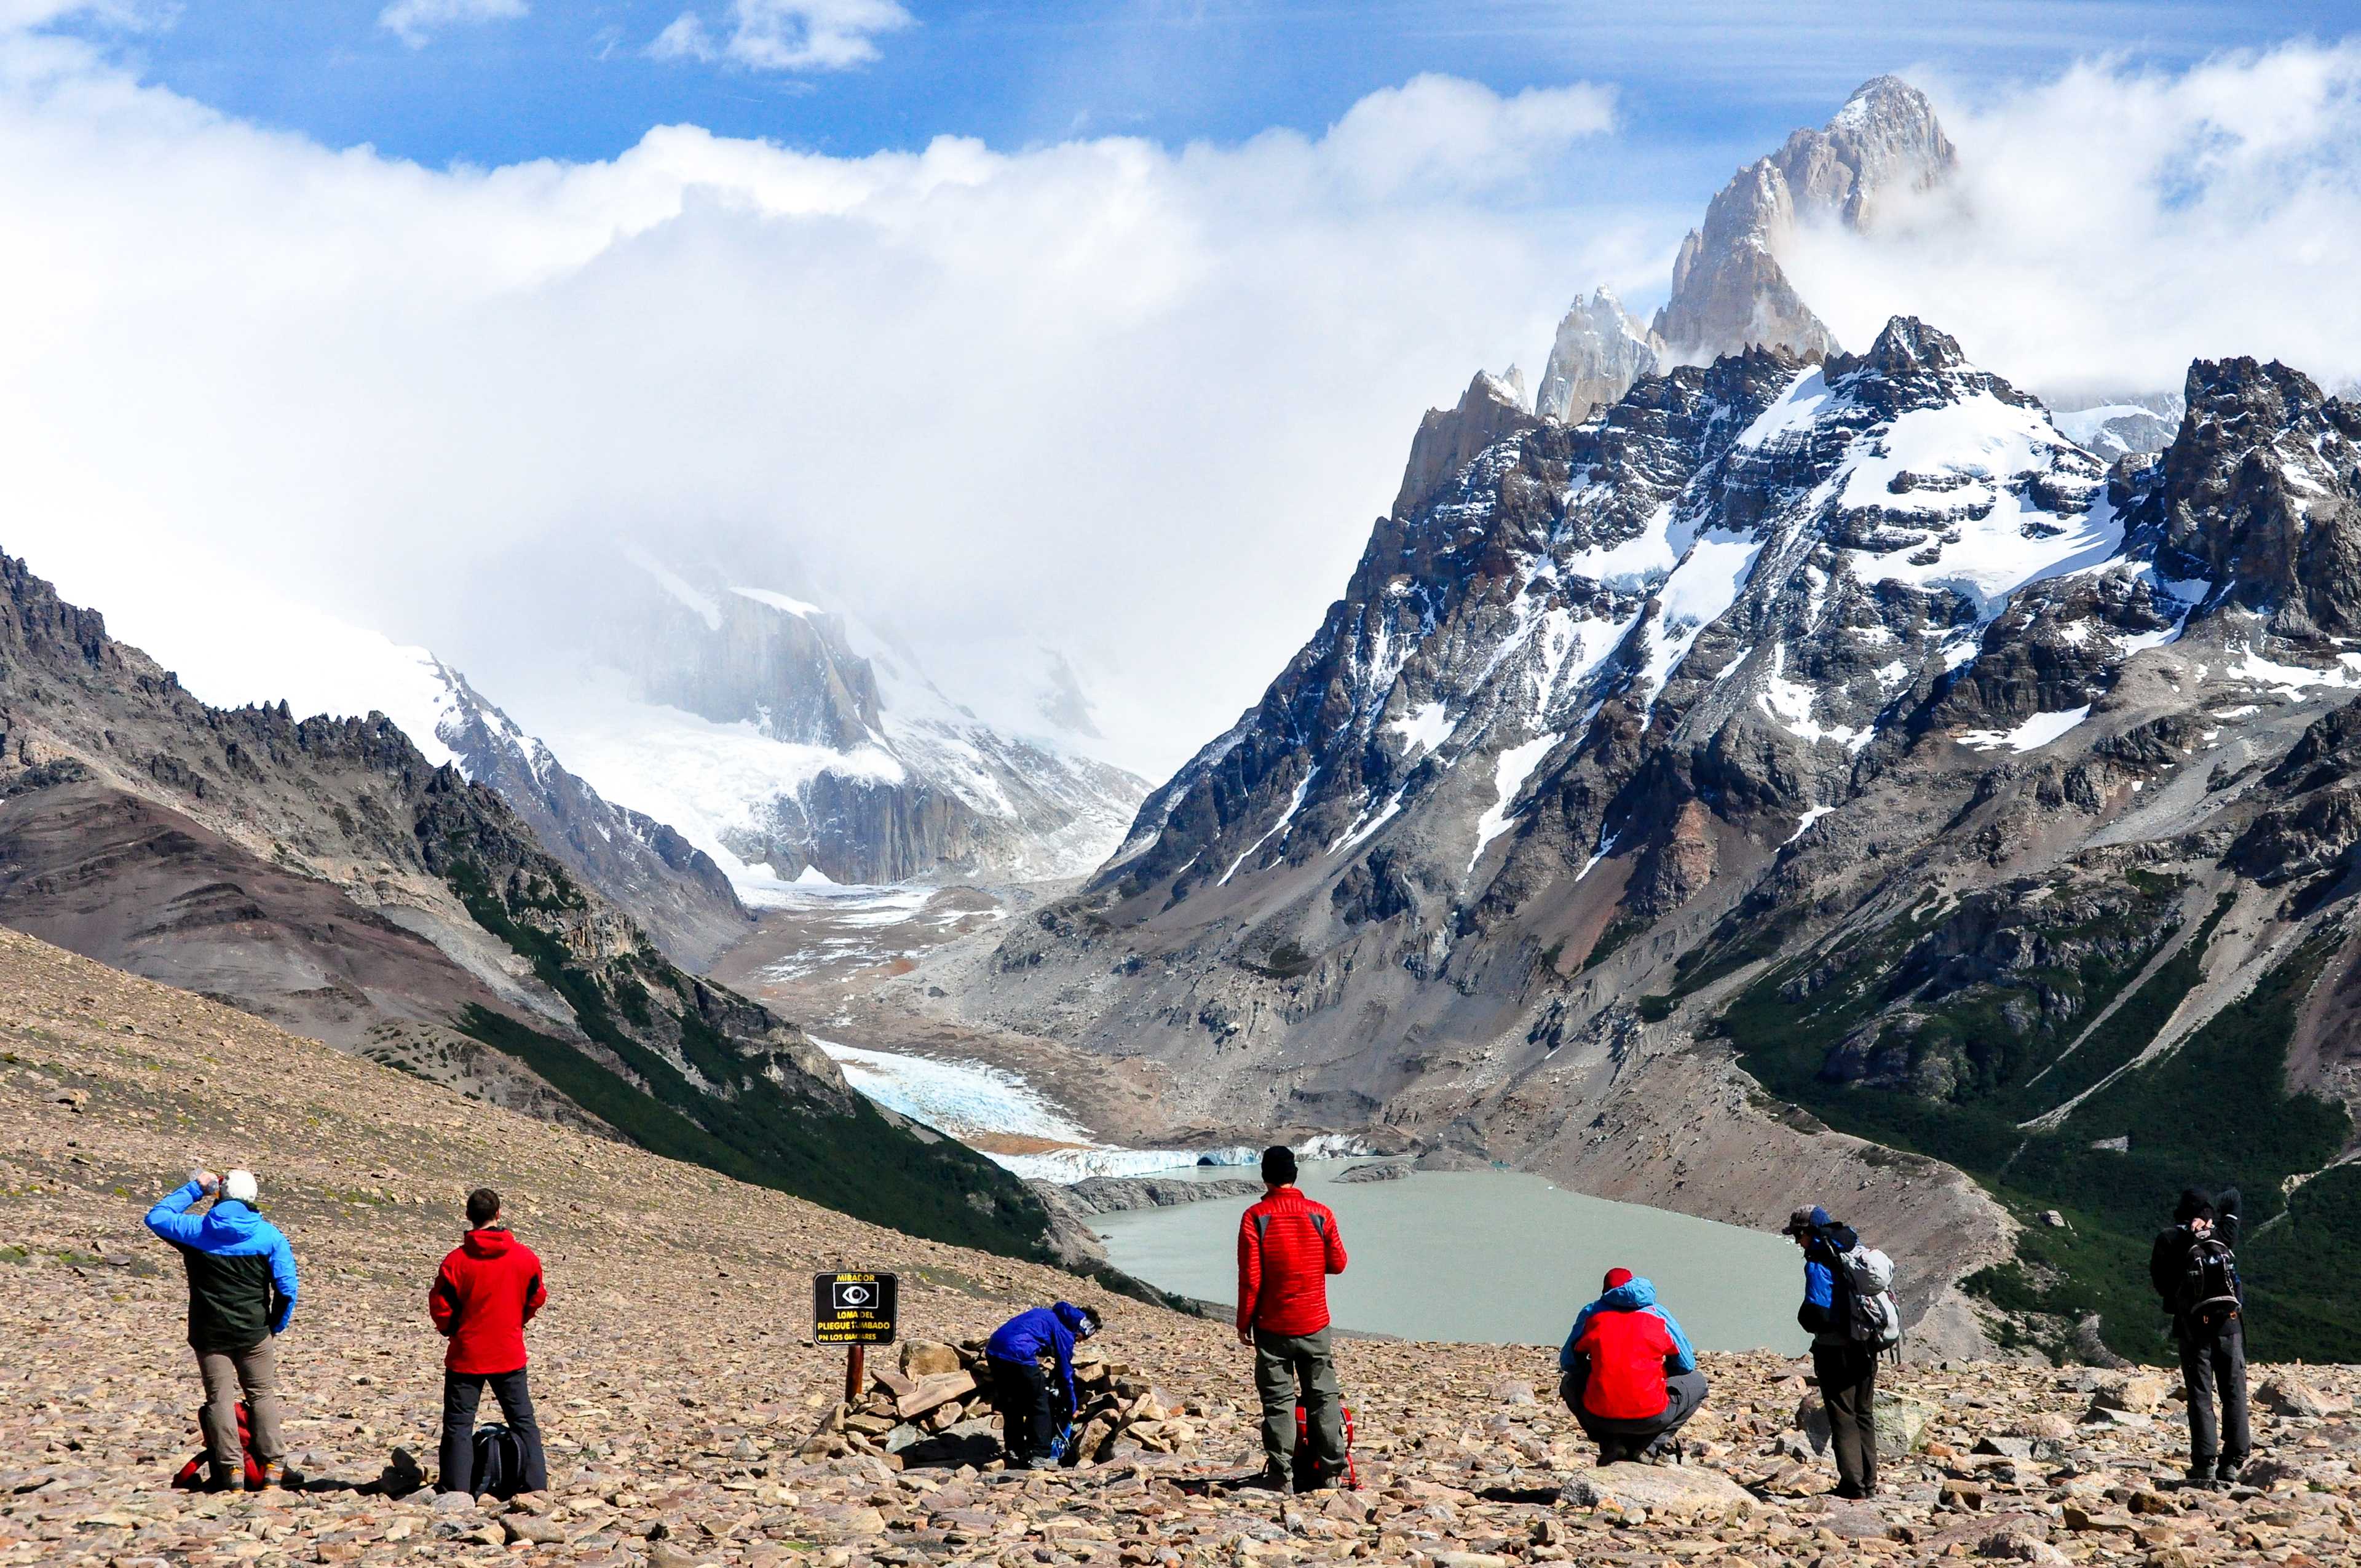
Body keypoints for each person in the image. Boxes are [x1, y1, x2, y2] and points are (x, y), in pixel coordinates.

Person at [144, 1168, 300, 1491]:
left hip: (209, 1332)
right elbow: (287, 1289)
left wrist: (196, 1188)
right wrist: (275, 1325)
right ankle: (274, 1467)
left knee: (220, 1399)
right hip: (254, 1331)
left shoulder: (196, 1230)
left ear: (221, 1194)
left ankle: (232, 1471)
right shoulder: (270, 1236)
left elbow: (157, 1217)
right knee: (262, 1394)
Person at [1237, 1145, 1349, 1491]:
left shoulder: (1255, 1217)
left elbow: (1251, 1278)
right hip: (1315, 1322)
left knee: (1278, 1400)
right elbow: (1339, 1263)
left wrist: (1244, 1323)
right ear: (1295, 1175)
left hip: (1272, 1327)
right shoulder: (1321, 1214)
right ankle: (1332, 1473)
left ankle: (1281, 1476)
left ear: (1265, 1177)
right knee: (1323, 1396)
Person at [430, 1188, 550, 1495]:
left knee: (459, 1424)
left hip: (467, 1354)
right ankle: (536, 1488)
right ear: (498, 1214)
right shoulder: (525, 1258)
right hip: (508, 1352)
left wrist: (453, 1331)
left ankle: (456, 1491)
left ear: (468, 1216)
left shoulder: (456, 1262)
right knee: (522, 1420)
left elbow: (440, 1305)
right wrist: (518, 1322)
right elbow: (537, 1296)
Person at [1557, 1268, 1710, 1463]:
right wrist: (1660, 1373)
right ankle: (1650, 1446)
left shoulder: (1592, 1312)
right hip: (1652, 1418)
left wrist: (1597, 1366)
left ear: (1605, 1291)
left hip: (1600, 1418)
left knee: (1569, 1382)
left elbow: (1568, 1363)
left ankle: (1611, 1444)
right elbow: (1686, 1365)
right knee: (1698, 1382)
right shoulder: (1659, 1314)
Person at [2149, 1187, 2248, 1488]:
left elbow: (2162, 1284)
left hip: (2193, 1329)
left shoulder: (2169, 1238)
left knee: (2200, 1395)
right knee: (2234, 1392)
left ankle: (2205, 1465)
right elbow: (2234, 1196)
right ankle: (2232, 1463)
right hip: (2230, 1327)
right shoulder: (2222, 1234)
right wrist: (2210, 1215)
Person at [1786, 1204, 1878, 1499]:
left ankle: (1853, 1485)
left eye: (1798, 1236)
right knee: (1864, 1412)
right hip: (1866, 1343)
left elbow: (1819, 1312)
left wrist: (1804, 1318)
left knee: (1842, 1414)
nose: (1798, 1242)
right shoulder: (1852, 1248)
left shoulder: (1819, 1258)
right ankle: (1869, 1482)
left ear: (1808, 1232)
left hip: (1835, 1349)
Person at [983, 1301, 1101, 1469]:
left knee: (1012, 1400)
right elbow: (1065, 1373)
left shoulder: (1046, 1314)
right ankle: (1040, 1455)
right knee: (1040, 1402)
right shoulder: (1066, 1332)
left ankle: (1015, 1449)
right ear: (1083, 1328)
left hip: (994, 1351)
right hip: (1019, 1354)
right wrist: (1071, 1405)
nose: (1081, 1342)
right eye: (1086, 1337)